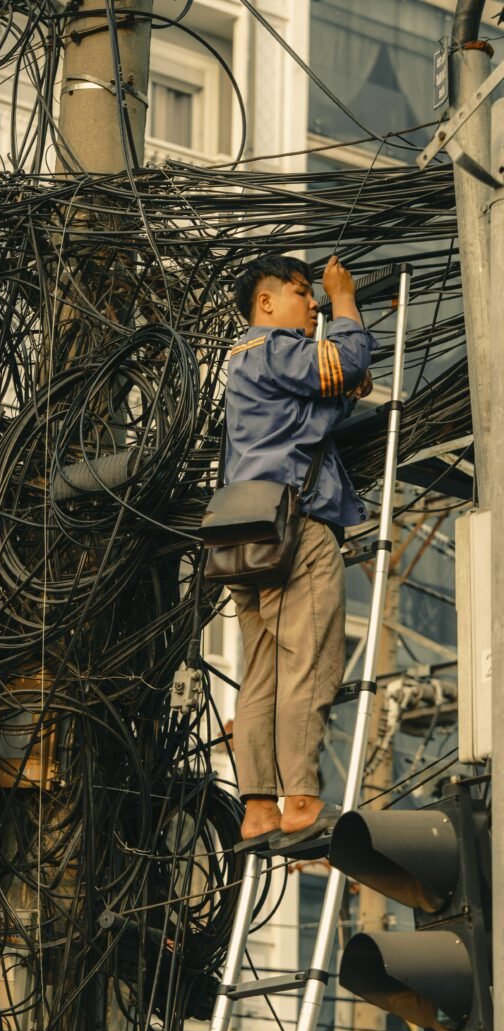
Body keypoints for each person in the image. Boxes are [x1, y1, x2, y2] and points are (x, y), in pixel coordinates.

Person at [224, 254, 376, 850]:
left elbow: (321, 401)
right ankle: (303, 799)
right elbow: (342, 362)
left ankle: (258, 806)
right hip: (295, 526)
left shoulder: (247, 362)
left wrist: (346, 380)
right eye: (299, 293)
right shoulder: (276, 347)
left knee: (261, 670)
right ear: (266, 303)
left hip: (240, 533)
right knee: (308, 660)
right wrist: (345, 301)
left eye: (314, 296)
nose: (310, 304)